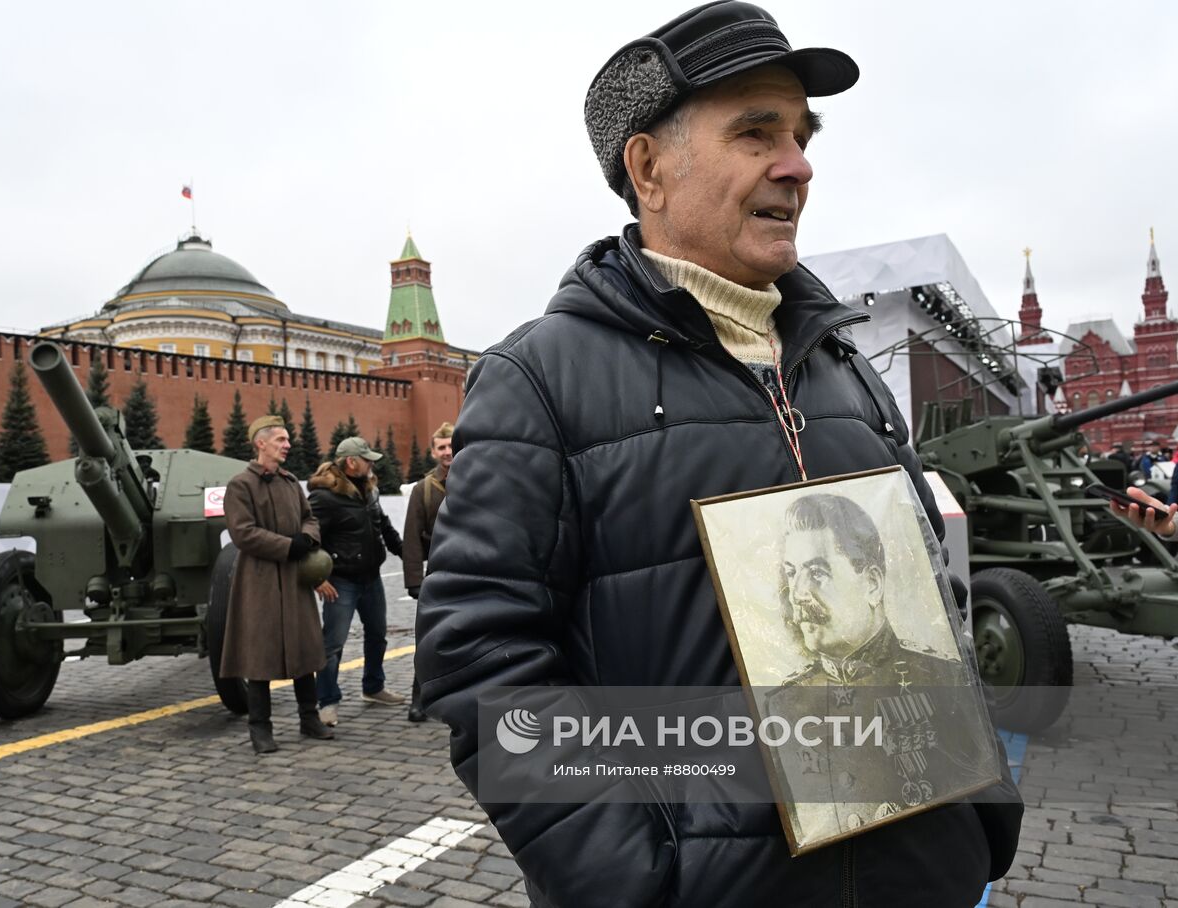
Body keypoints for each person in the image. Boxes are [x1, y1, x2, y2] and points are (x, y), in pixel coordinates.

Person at [415, 3, 1022, 905]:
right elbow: (481, 663)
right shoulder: (540, 378)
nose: (798, 164)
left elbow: (930, 587)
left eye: (802, 134)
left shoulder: (841, 362)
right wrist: (639, 882)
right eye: (755, 132)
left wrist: (979, 817)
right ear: (650, 168)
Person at [766, 494, 998, 843]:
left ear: (872, 583)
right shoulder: (781, 704)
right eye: (792, 573)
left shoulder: (942, 678)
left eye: (817, 572)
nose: (798, 593)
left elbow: (990, 799)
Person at [220, 415, 334, 754]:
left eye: (287, 440)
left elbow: (308, 518)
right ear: (261, 443)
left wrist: (307, 539)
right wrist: (288, 546)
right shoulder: (241, 485)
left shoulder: (289, 482)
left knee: (303, 649)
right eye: (281, 440)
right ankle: (260, 729)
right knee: (260, 656)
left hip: (295, 578)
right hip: (260, 581)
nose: (287, 445)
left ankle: (309, 719)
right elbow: (243, 533)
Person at [309, 437, 407, 726]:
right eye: (367, 459)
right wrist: (317, 578)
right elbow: (309, 538)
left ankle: (373, 687)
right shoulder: (324, 497)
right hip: (341, 581)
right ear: (351, 462)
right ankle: (327, 701)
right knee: (333, 643)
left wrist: (410, 556)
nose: (371, 463)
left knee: (377, 634)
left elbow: (385, 528)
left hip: (371, 577)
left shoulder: (369, 490)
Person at [400, 421, 455, 722]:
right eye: (442, 447)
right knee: (428, 640)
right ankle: (418, 699)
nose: (448, 452)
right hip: (437, 575)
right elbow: (411, 537)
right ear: (434, 452)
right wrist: (413, 581)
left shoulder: (477, 479)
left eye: (451, 445)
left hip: (475, 571)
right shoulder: (423, 489)